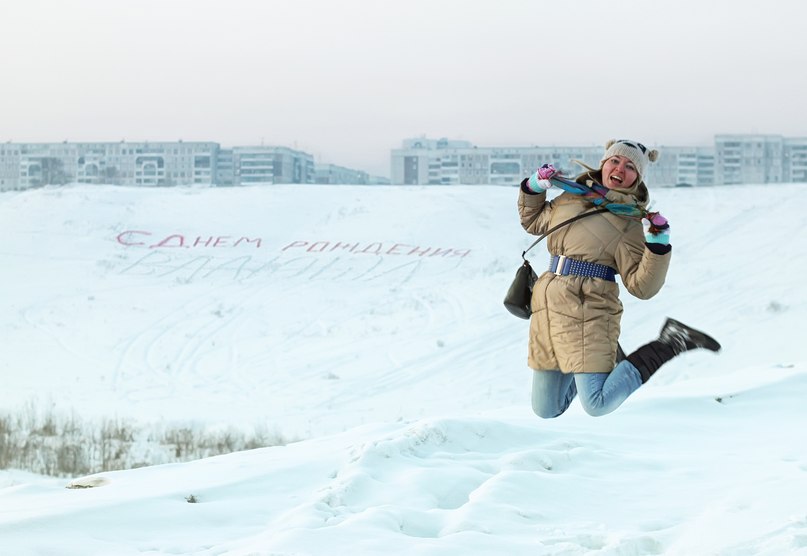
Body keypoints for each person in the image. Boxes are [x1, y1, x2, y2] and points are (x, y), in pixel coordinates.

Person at [517, 139, 720, 418]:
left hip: (590, 310)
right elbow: (533, 221)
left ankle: (672, 342)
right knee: (546, 408)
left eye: (630, 167)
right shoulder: (571, 197)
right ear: (603, 164)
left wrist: (657, 245)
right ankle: (611, 358)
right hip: (549, 309)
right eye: (615, 161)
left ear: (637, 178)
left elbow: (642, 286)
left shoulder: (630, 222)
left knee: (597, 403)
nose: (620, 169)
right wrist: (534, 187)